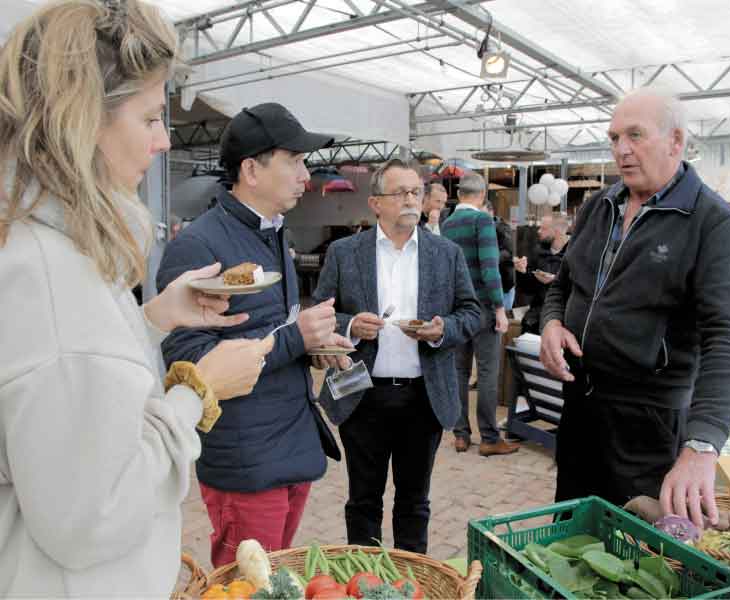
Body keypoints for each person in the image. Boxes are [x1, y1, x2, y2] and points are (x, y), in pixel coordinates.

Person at [0, 1, 273, 595]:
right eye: (150, 118)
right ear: (82, 122)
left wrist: (152, 321)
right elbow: (90, 516)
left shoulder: (38, 247)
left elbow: (68, 389)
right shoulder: (53, 275)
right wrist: (196, 395)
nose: (163, 139)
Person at [539, 87, 730, 526]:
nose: (621, 150)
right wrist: (552, 322)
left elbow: (727, 339)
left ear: (676, 141)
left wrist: (703, 446)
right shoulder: (599, 205)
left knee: (639, 557)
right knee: (570, 536)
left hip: (648, 427)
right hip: (581, 412)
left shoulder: (711, 221)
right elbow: (563, 284)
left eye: (635, 135)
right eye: (614, 137)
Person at [157, 102, 343, 566]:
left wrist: (313, 345)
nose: (306, 175)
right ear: (251, 170)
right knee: (243, 585)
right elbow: (190, 362)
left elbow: (272, 326)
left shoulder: (275, 233)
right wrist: (294, 338)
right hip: (245, 458)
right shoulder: (197, 245)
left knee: (273, 579)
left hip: (289, 442)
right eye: (295, 161)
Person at [312, 159, 481, 553]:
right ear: (375, 203)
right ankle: (362, 584)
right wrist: (351, 325)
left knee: (414, 503)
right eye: (400, 192)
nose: (410, 199)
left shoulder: (446, 253)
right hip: (361, 395)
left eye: (415, 191)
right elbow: (320, 312)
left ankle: (410, 584)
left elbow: (472, 313)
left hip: (424, 397)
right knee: (363, 502)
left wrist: (443, 330)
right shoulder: (343, 252)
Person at [442, 172, 520, 456]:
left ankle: (461, 434)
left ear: (460, 194)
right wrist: (500, 308)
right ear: (482, 194)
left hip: (457, 309)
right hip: (483, 308)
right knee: (487, 372)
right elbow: (490, 268)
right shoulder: (482, 220)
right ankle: (489, 438)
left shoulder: (447, 224)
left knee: (459, 372)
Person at [520, 214, 568, 334]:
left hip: (563, 319)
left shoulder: (574, 253)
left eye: (544, 228)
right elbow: (527, 290)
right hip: (536, 316)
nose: (538, 231)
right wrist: (522, 271)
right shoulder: (537, 252)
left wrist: (555, 280)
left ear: (556, 231)